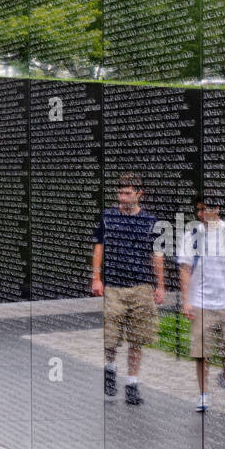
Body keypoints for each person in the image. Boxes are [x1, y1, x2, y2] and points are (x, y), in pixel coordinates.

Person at [91, 172, 165, 405]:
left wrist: (160, 285)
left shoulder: (150, 221)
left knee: (137, 337)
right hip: (114, 285)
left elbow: (157, 255)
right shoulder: (108, 216)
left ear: (139, 194)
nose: (122, 197)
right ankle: (111, 368)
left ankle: (132, 383)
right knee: (111, 336)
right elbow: (99, 247)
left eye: (127, 193)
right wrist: (96, 278)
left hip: (141, 285)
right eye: (120, 193)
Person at [177, 190, 225, 412]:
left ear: (217, 209)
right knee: (201, 353)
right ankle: (203, 394)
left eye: (206, 209)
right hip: (201, 303)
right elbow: (184, 268)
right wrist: (186, 300)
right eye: (199, 209)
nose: (201, 214)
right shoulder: (191, 235)